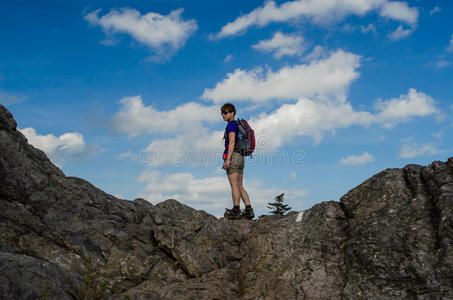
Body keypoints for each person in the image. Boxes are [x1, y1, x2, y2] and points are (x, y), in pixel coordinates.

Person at [221, 103, 254, 220]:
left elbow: (232, 142)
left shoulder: (231, 126)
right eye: (222, 113)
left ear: (232, 113)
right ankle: (249, 210)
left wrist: (228, 160)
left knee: (234, 185)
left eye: (225, 112)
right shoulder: (236, 125)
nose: (223, 115)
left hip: (234, 156)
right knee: (240, 185)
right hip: (241, 157)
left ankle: (236, 210)